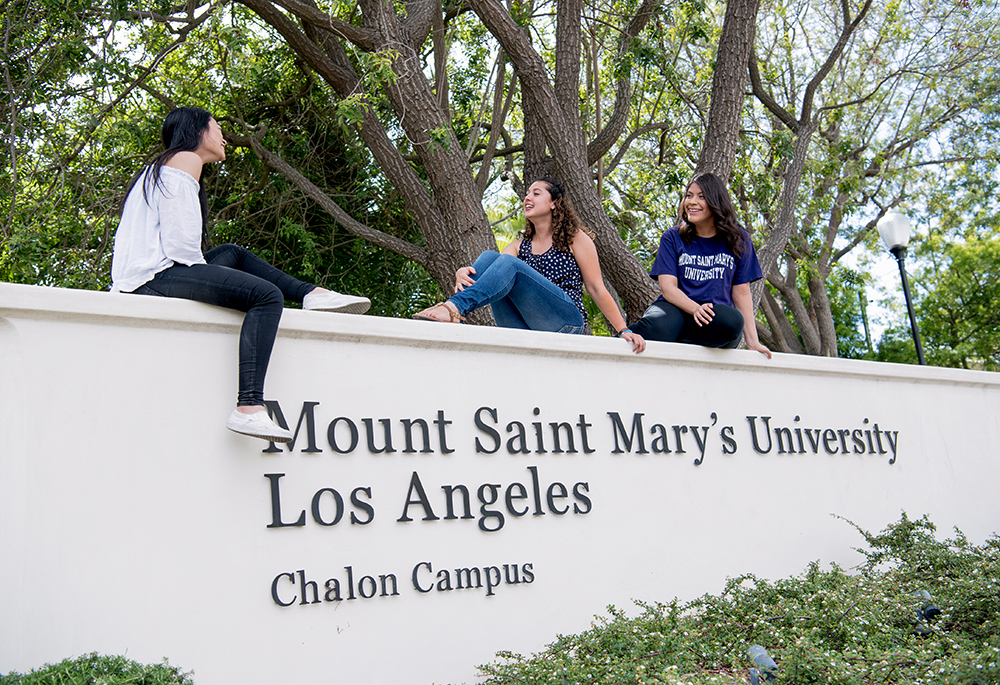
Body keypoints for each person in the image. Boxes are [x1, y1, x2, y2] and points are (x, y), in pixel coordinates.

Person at [111, 106, 372, 443]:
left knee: (231, 253)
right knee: (265, 296)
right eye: (216, 126)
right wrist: (213, 278)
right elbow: (180, 245)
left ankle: (311, 294)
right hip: (151, 280)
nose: (222, 136)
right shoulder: (184, 161)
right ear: (198, 130)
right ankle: (248, 406)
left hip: (149, 274)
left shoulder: (164, 166)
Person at [412, 177, 645, 354]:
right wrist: (464, 271)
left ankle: (453, 309)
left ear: (555, 203)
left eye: (536, 193)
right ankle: (453, 308)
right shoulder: (519, 246)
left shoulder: (576, 238)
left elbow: (596, 288)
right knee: (489, 258)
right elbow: (492, 276)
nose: (527, 198)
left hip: (565, 323)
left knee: (507, 263)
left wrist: (623, 330)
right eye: (526, 194)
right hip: (525, 327)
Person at [628, 173, 772, 358]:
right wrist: (695, 309)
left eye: (701, 196)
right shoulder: (673, 237)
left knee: (732, 322)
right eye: (689, 195)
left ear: (716, 201)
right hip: (675, 309)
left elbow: (741, 293)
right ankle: (623, 337)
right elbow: (668, 288)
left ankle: (680, 343)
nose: (692, 201)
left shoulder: (739, 239)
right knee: (662, 325)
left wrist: (753, 342)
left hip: (711, 317)